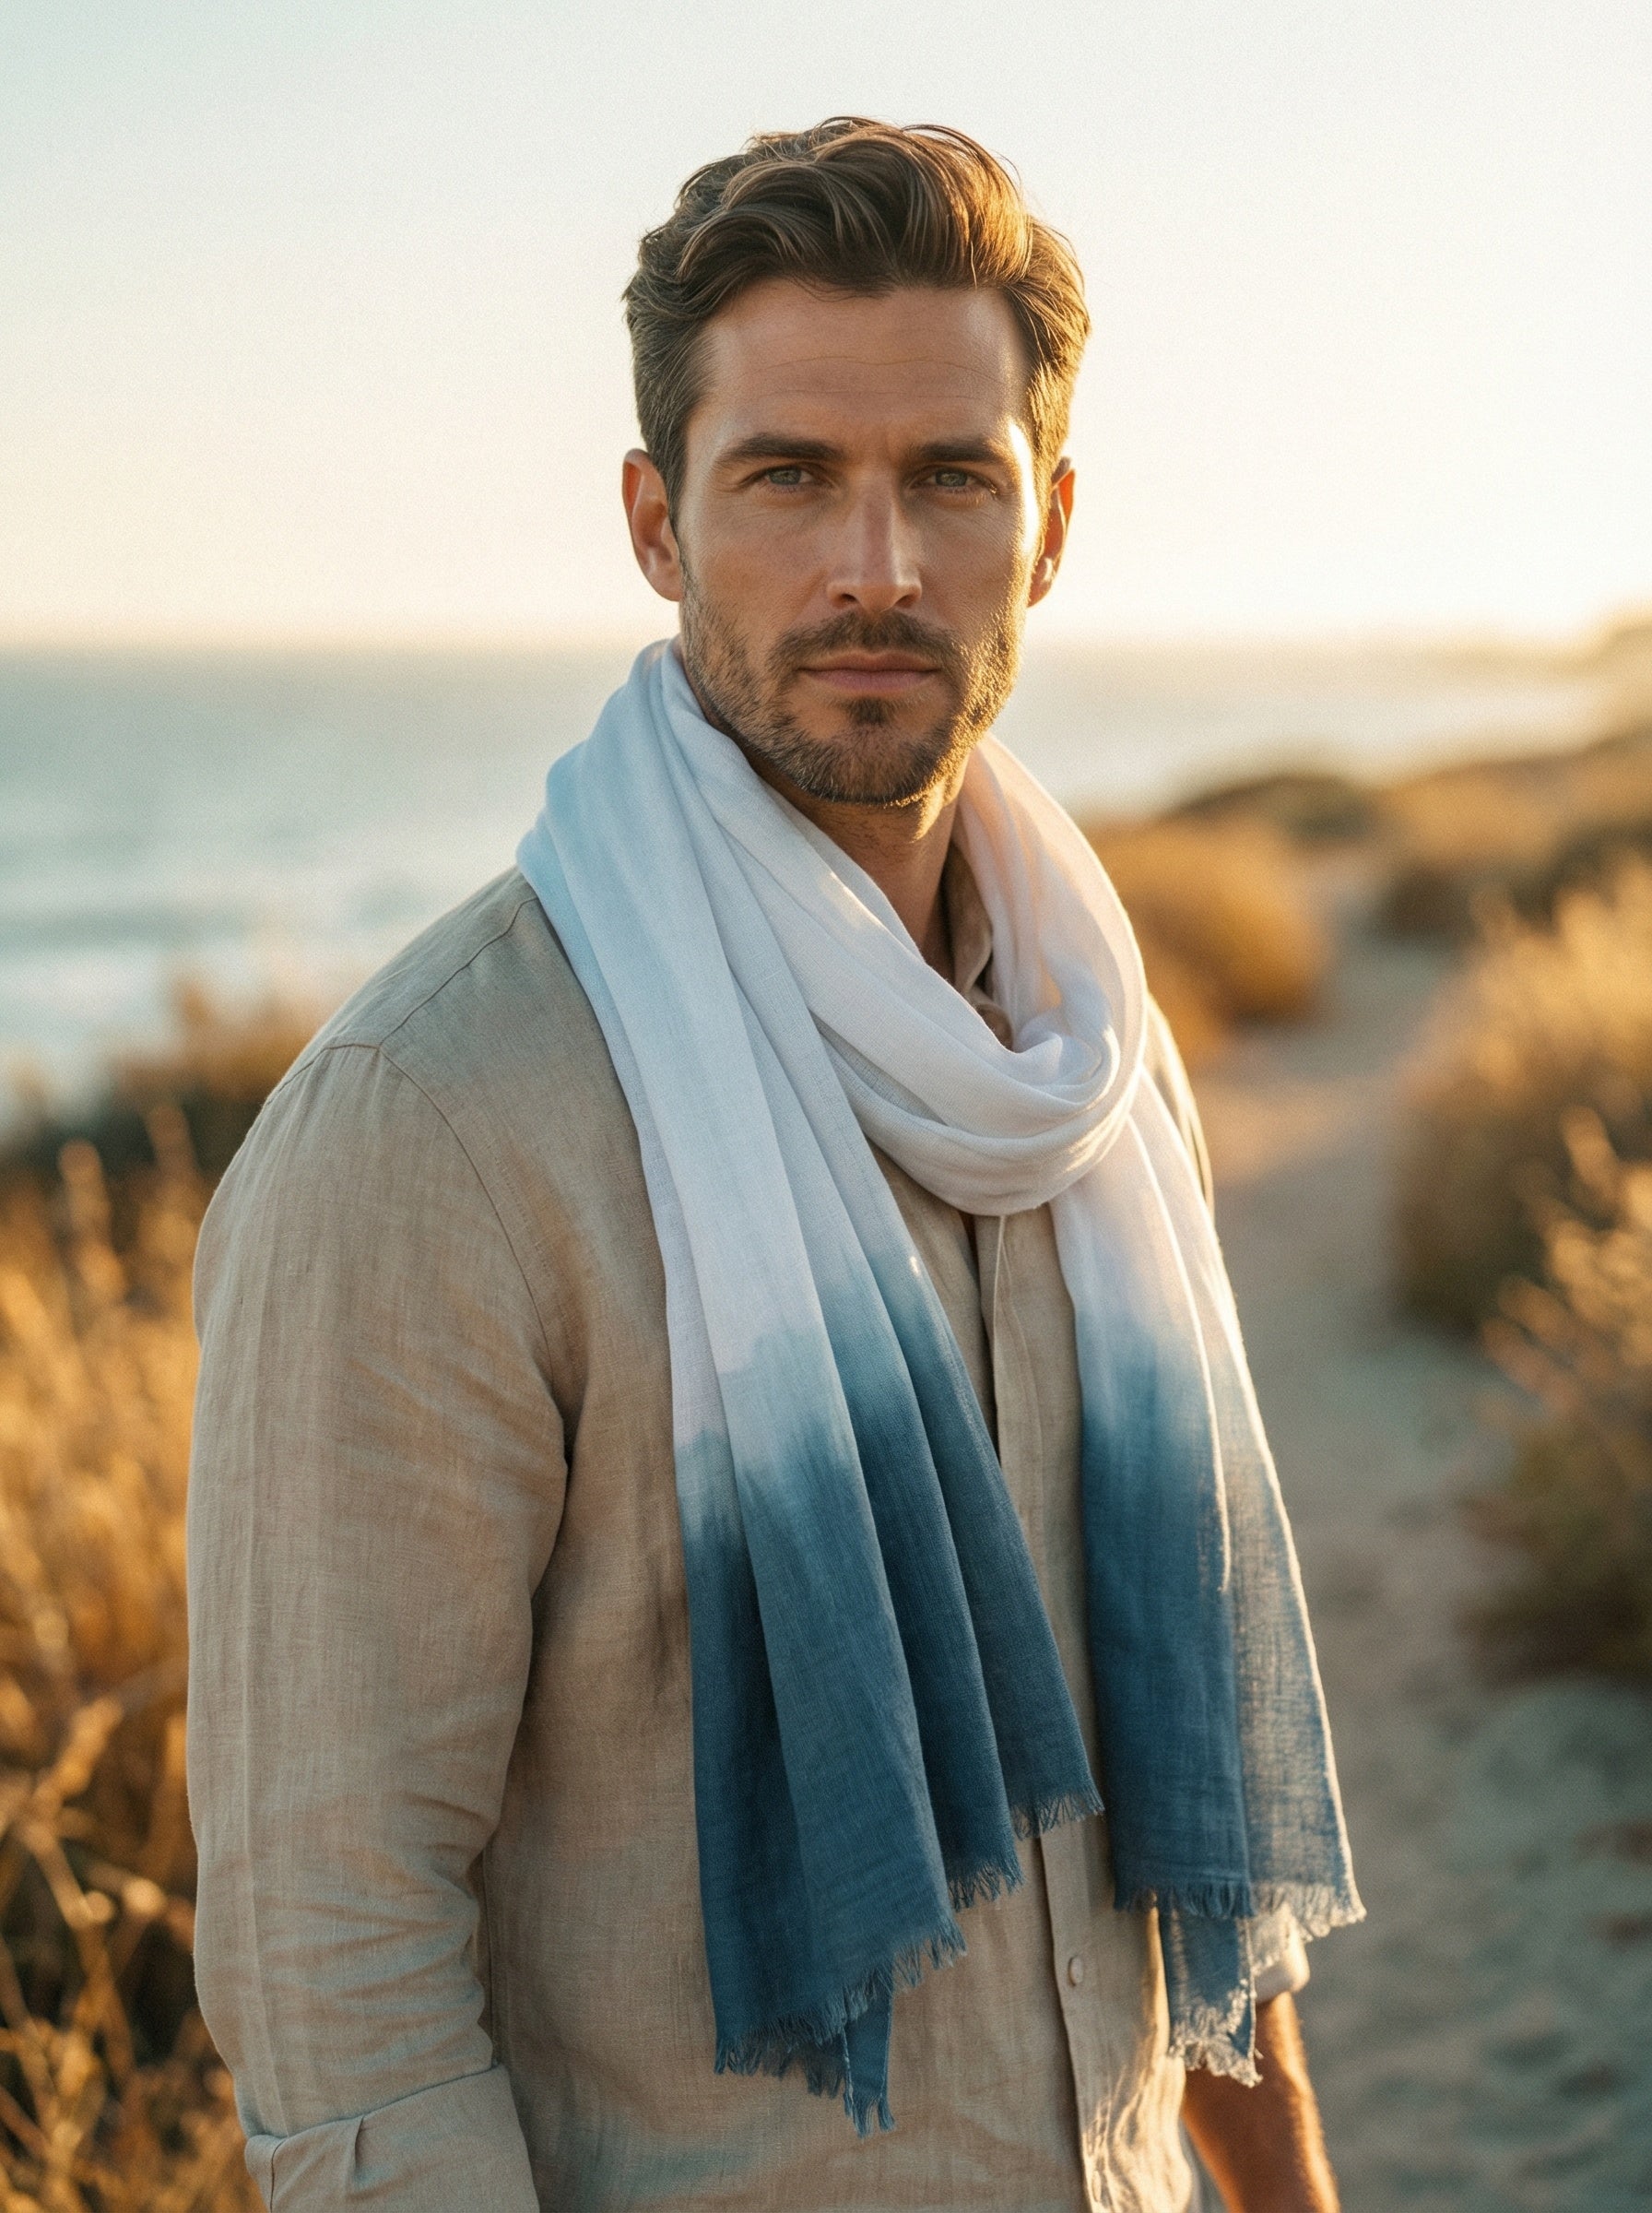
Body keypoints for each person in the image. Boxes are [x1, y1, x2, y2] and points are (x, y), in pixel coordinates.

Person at [186, 118, 1361, 2213]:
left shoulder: (1087, 1059)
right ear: (655, 523)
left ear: (1052, 523)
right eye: (788, 478)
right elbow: (336, 1965)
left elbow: (1171, 1839)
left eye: (949, 478)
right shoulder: (433, 1127)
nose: (875, 571)